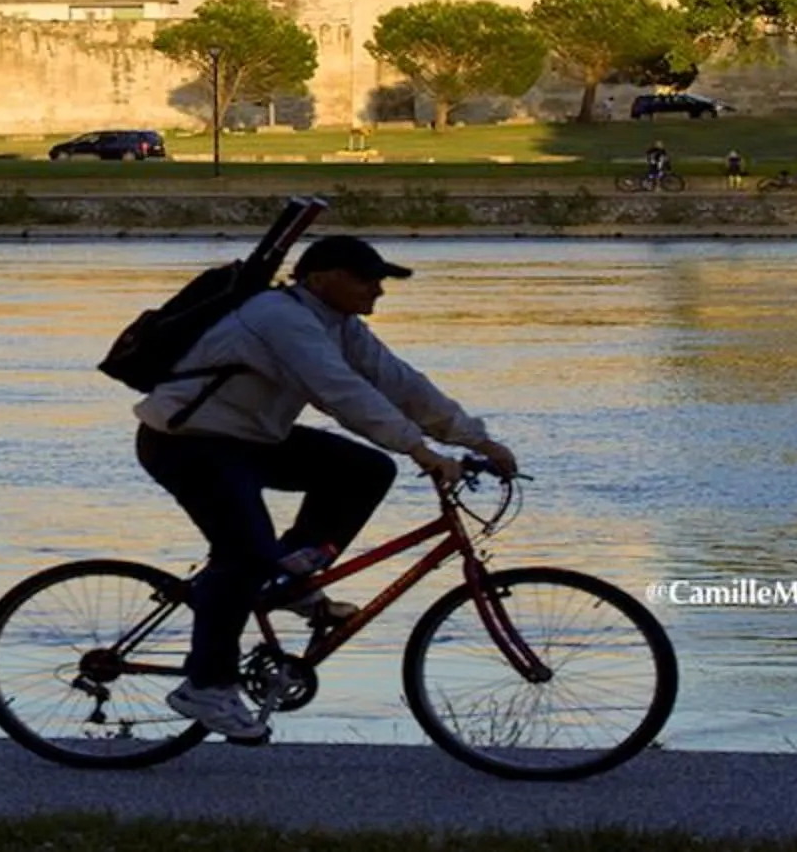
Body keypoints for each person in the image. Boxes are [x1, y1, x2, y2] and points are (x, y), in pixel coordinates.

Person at [132, 235, 517, 744]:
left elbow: (397, 381)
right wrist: (421, 451)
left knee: (365, 471)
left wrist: (475, 437)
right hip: (187, 442)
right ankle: (206, 685)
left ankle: (290, 575)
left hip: (248, 437)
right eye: (366, 278)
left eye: (380, 279)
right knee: (243, 554)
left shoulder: (337, 325)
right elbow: (341, 393)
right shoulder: (280, 318)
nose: (377, 289)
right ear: (319, 279)